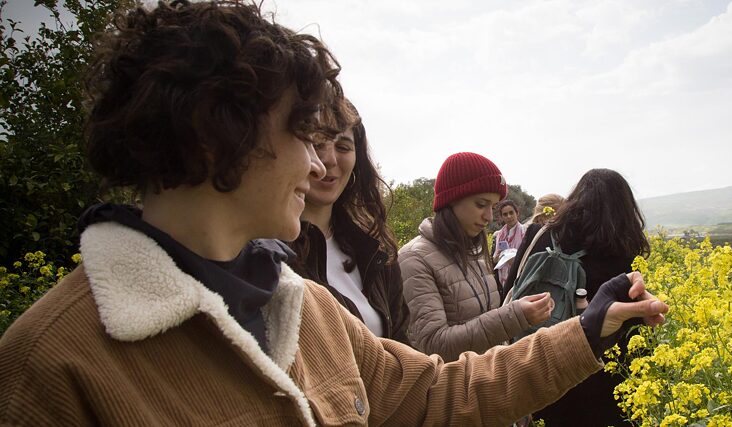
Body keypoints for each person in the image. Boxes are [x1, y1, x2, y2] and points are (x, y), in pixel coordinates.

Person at [0, 2, 669, 425]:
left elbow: (437, 395)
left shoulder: (306, 309)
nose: (319, 168)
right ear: (216, 136)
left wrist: (584, 331)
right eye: (301, 134)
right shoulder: (54, 362)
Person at [505, 168, 652, 426]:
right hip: (602, 377)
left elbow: (511, 286)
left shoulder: (539, 234)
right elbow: (631, 325)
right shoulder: (619, 249)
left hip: (547, 363)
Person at [400, 152, 555, 362]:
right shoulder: (414, 259)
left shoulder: (475, 252)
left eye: (493, 207)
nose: (489, 217)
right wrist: (514, 316)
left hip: (485, 383)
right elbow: (434, 345)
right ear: (451, 200)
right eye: (481, 205)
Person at [286, 107, 409, 344]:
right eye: (317, 142)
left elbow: (403, 349)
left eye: (343, 147)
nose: (329, 159)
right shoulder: (268, 249)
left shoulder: (375, 248)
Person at [492, 199, 525, 283]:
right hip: (502, 280)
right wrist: (498, 257)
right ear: (502, 217)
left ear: (517, 213)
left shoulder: (525, 232)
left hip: (520, 278)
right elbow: (495, 260)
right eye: (505, 214)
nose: (509, 216)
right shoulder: (499, 235)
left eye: (511, 213)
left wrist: (515, 259)